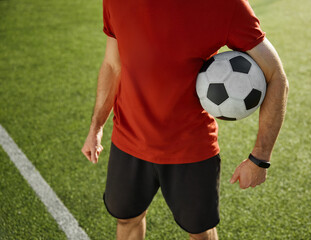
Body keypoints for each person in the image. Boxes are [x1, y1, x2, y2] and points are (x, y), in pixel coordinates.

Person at [81, 0, 289, 239]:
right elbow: (112, 64)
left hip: (191, 150)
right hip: (128, 141)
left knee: (200, 231)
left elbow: (276, 76)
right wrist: (96, 127)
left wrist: (260, 157)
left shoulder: (225, 5)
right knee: (127, 219)